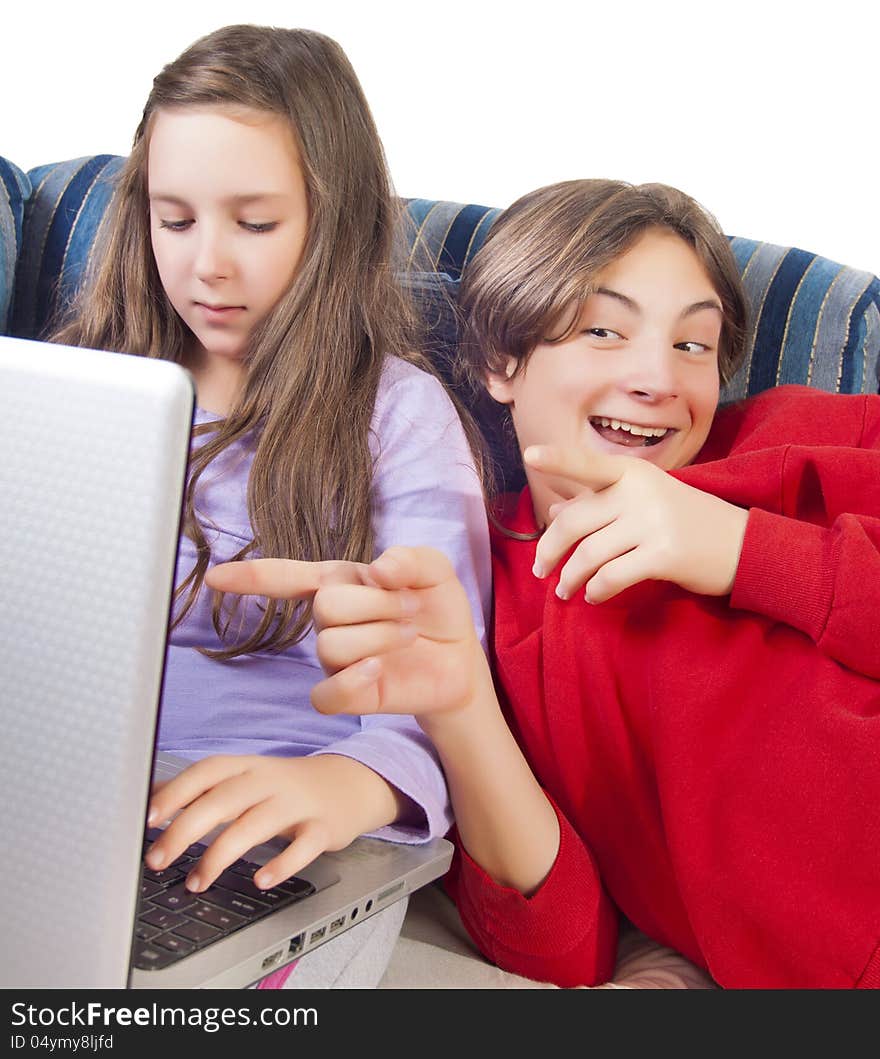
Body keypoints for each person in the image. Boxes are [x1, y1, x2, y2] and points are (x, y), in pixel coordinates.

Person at [205, 179, 880, 989]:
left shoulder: (804, 437)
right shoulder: (476, 592)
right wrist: (462, 712)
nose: (658, 379)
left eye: (693, 345)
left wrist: (741, 548)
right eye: (603, 330)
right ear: (501, 362)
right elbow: (562, 949)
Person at [51, 24, 490, 988]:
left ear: (333, 223)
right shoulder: (83, 381)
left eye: (254, 224)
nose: (208, 262)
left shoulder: (400, 418)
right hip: (82, 809)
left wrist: (351, 782)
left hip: (296, 836)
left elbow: (436, 688)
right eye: (176, 220)